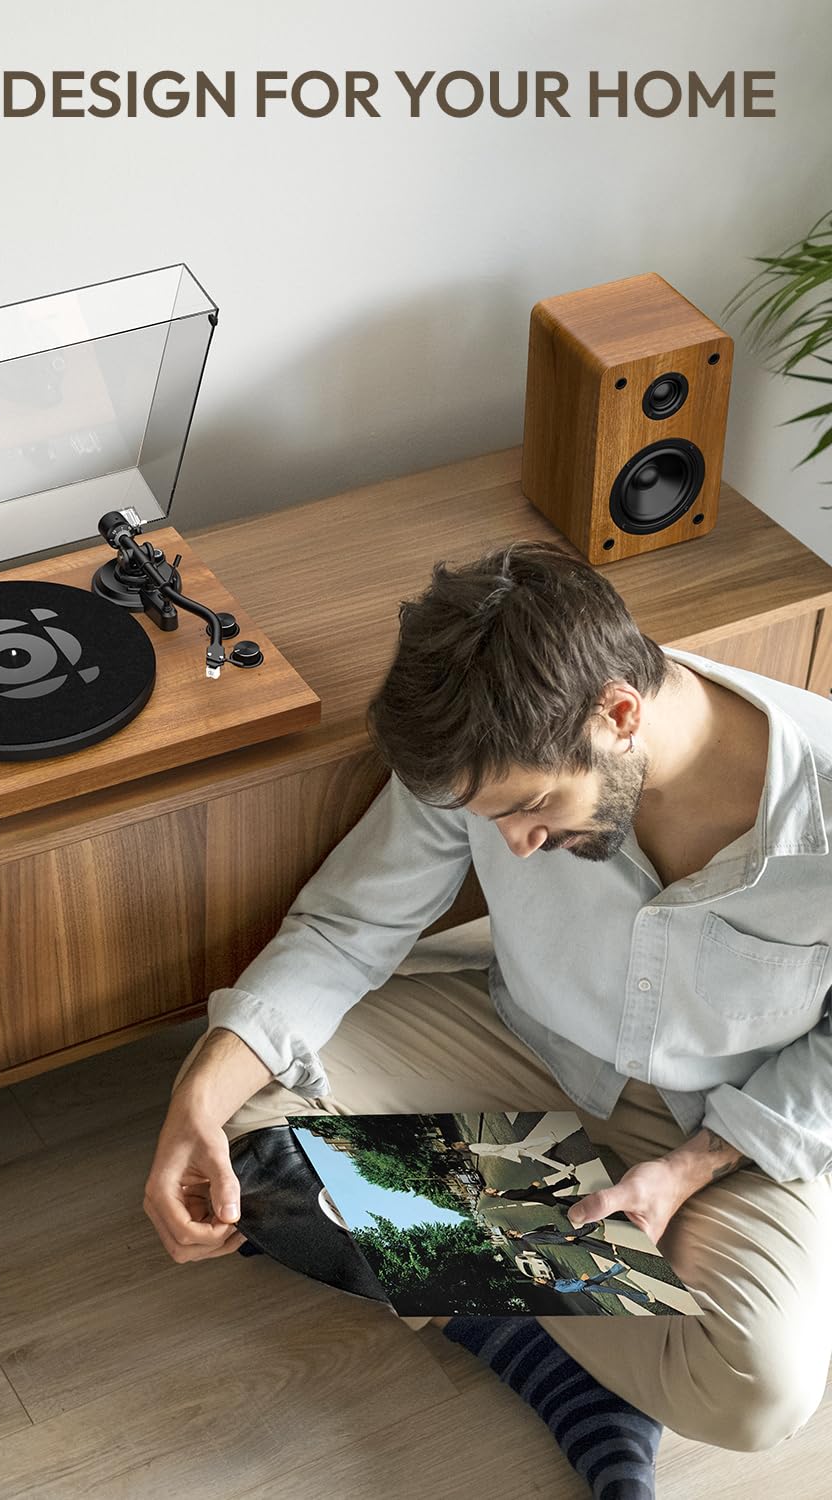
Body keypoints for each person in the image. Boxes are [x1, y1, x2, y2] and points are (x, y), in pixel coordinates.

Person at [143, 542, 832, 1500]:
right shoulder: (488, 737)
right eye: (491, 814)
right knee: (243, 1125)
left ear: (619, 714)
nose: (512, 842)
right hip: (525, 1043)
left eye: (534, 806)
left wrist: (690, 1167)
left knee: (759, 1389)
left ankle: (509, 1290)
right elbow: (347, 928)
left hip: (729, 1122)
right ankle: (559, 1354)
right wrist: (195, 1100)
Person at [531, 1264, 653, 1307]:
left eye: (539, 1277)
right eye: (539, 1280)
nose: (541, 1278)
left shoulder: (555, 1281)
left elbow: (571, 1281)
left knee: (604, 1275)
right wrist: (582, 1280)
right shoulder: (558, 1288)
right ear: (542, 1284)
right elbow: (576, 1287)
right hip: (587, 1286)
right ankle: (646, 1298)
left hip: (586, 1282)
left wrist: (581, 1279)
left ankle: (621, 1266)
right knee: (617, 1291)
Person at [480, 1171, 583, 1205]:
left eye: (489, 1188)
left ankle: (571, 1182)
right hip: (537, 1195)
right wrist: (533, 1186)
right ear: (493, 1194)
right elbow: (524, 1193)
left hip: (537, 1194)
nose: (491, 1188)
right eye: (490, 1190)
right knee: (558, 1199)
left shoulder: (504, 1193)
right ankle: (575, 1204)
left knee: (553, 1188)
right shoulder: (507, 1195)